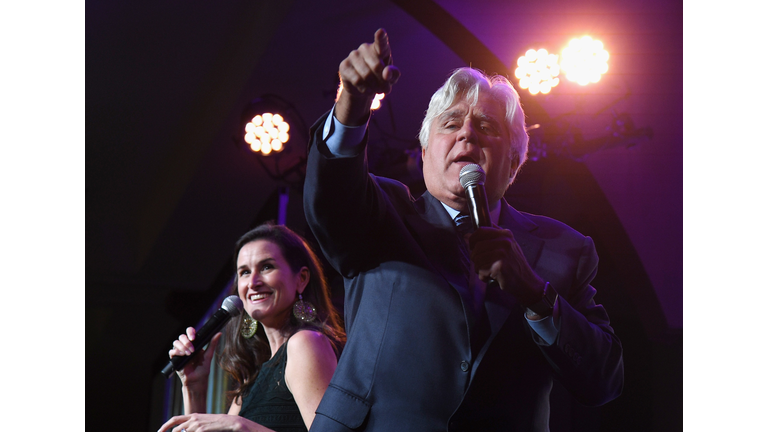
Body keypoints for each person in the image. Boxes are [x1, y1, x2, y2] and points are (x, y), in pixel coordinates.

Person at [302, 29, 624, 431]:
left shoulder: (565, 250)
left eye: (486, 126)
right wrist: (352, 102)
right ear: (423, 155)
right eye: (450, 123)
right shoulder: (380, 213)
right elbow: (331, 193)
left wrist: (535, 295)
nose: (467, 133)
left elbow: (603, 380)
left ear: (514, 164)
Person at [159, 223, 346, 432]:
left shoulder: (305, 344)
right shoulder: (253, 379)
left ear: (301, 279)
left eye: (267, 267)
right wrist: (194, 387)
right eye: (245, 272)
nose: (253, 282)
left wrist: (242, 426)